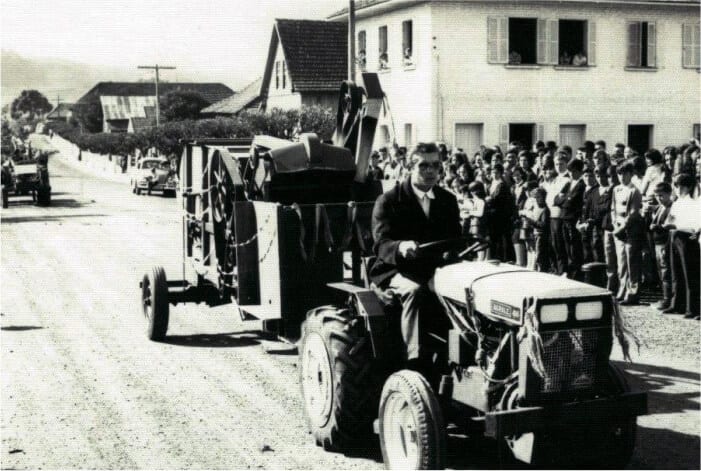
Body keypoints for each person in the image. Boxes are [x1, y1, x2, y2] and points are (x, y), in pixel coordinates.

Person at [370, 142, 461, 366]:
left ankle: (464, 352)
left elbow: (456, 241)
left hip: (435, 269)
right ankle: (416, 359)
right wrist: (400, 246)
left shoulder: (447, 200)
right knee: (415, 291)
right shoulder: (390, 200)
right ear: (410, 166)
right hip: (396, 270)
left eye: (435, 166)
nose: (430, 171)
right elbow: (381, 244)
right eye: (423, 166)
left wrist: (445, 267)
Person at [664, 173, 700, 319]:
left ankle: (691, 307)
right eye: (676, 185)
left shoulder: (694, 203)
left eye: (680, 186)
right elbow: (670, 218)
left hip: (686, 238)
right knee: (675, 272)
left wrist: (676, 224)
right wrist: (669, 224)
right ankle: (676, 303)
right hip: (674, 236)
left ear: (689, 187)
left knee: (688, 274)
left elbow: (694, 225)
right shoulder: (677, 203)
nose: (677, 189)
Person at [611, 162, 644, 304]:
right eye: (620, 173)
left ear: (631, 174)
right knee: (621, 262)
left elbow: (633, 213)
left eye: (625, 173)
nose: (622, 176)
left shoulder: (634, 191)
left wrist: (622, 227)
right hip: (618, 229)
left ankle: (633, 293)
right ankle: (622, 290)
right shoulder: (616, 189)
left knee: (632, 262)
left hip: (630, 230)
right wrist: (614, 224)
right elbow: (612, 208)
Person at [542, 156, 571, 274]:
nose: (559, 166)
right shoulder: (555, 179)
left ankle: (564, 271)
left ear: (566, 164)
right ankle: (558, 270)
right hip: (552, 215)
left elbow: (559, 198)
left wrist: (553, 199)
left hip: (560, 216)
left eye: (562, 164)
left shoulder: (567, 179)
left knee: (560, 245)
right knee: (554, 245)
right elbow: (550, 197)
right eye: (557, 164)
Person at [648, 182, 674, 311]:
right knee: (660, 271)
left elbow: (670, 225)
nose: (659, 198)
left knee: (665, 272)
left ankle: (668, 299)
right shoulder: (659, 207)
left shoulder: (672, 207)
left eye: (661, 195)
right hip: (657, 243)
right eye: (657, 195)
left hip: (665, 243)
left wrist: (658, 227)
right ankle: (665, 297)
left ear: (669, 194)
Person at [560, 159, 586, 279]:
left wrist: (565, 199)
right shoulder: (569, 183)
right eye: (569, 171)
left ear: (579, 171)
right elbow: (557, 200)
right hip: (565, 218)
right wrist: (566, 198)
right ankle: (570, 270)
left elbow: (571, 202)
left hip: (573, 219)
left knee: (574, 247)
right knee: (567, 246)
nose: (570, 174)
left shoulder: (581, 184)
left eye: (573, 171)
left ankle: (576, 273)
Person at [486, 163, 513, 262]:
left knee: (501, 237)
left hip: (500, 215)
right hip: (492, 214)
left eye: (497, 172)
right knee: (493, 237)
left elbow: (495, 199)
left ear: (501, 173)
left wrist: (489, 199)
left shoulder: (502, 185)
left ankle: (503, 258)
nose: (494, 174)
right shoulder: (492, 183)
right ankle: (494, 257)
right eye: (493, 172)